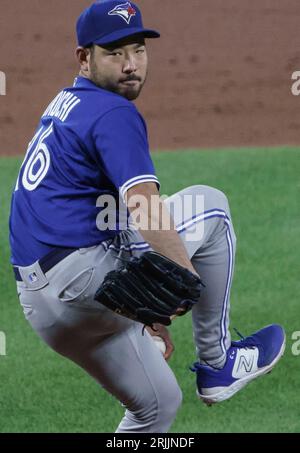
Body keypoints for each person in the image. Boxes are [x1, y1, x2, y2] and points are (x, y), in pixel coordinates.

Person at [9, 1, 285, 433]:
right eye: (115, 53)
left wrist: (145, 311)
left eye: (138, 50)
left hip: (43, 308)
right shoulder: (113, 112)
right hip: (81, 280)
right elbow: (143, 205)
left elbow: (92, 210)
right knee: (210, 207)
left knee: (158, 405)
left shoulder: (65, 103)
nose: (131, 65)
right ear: (85, 58)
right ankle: (219, 362)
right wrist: (181, 284)